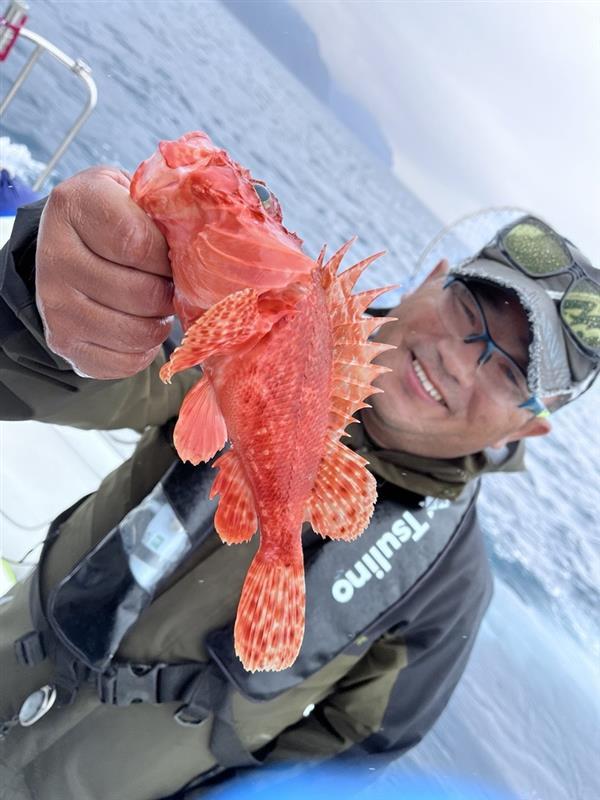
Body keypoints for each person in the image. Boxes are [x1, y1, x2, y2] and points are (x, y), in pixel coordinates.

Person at [0, 167, 598, 800]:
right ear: (430, 279)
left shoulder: (447, 588)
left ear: (528, 428)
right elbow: (52, 381)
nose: (460, 357)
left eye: (510, 374)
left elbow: (354, 755)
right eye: (470, 305)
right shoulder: (271, 327)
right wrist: (43, 297)